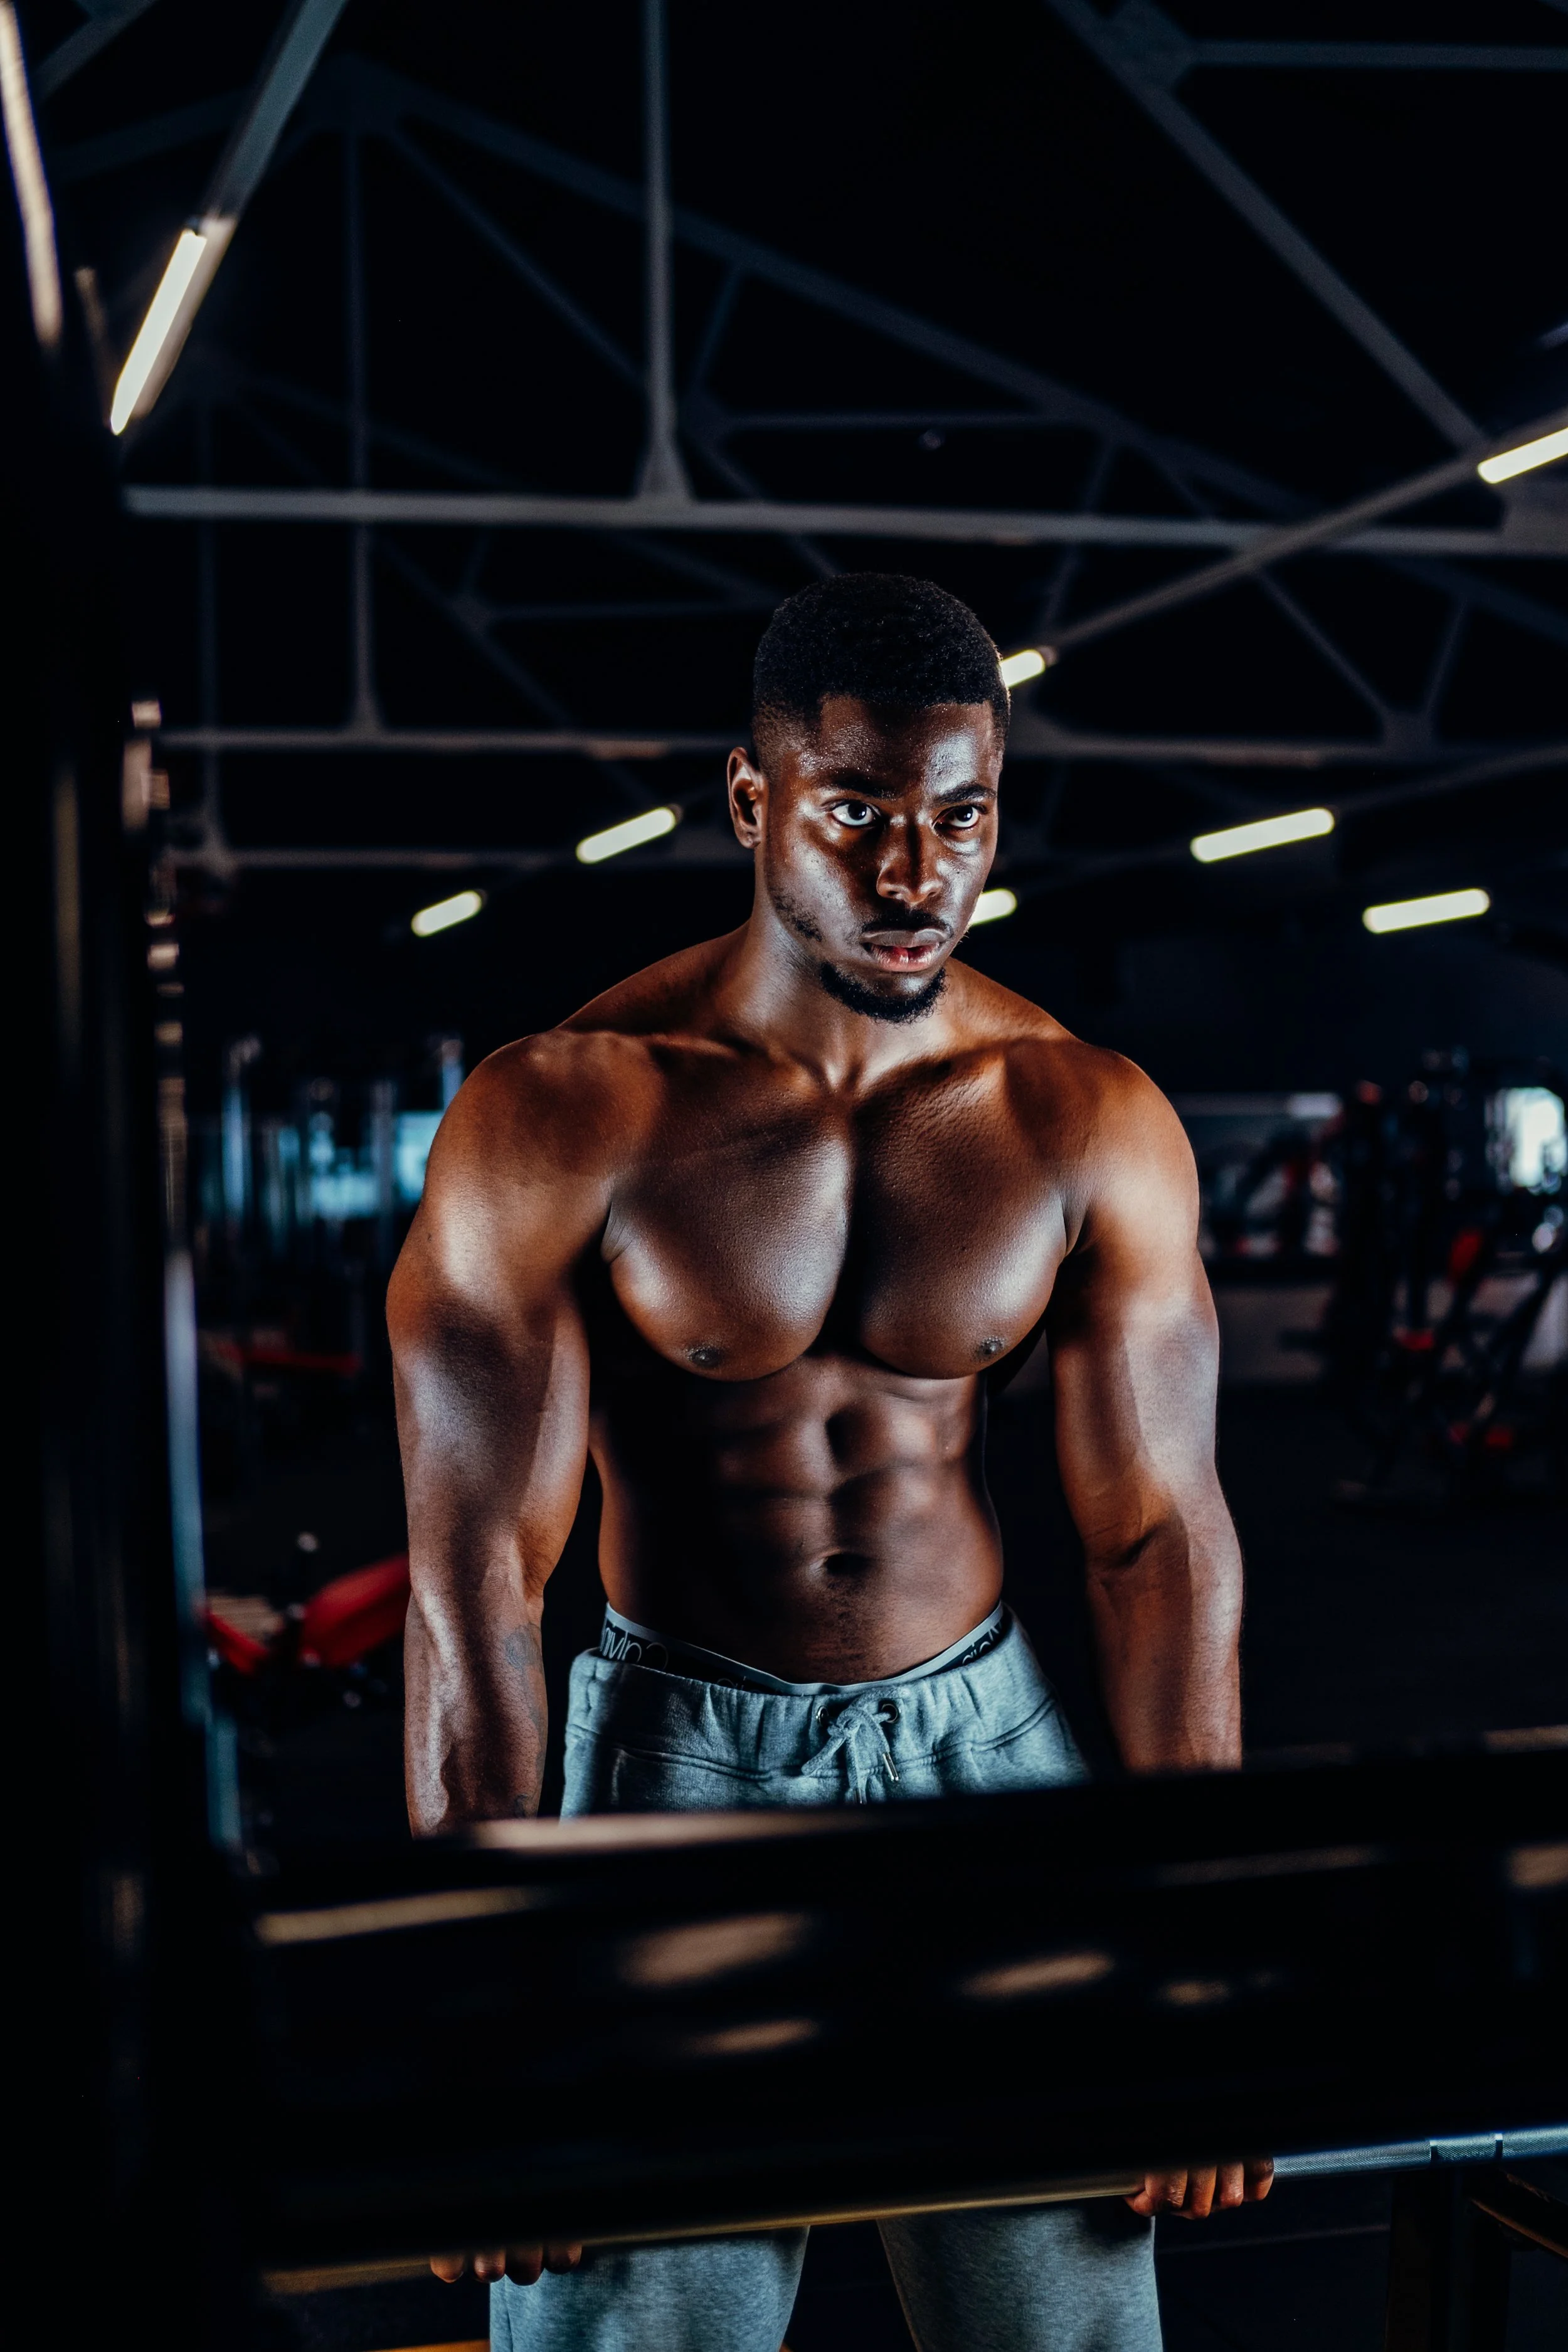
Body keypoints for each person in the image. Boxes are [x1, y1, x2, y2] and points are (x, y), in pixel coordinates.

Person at [389, 574, 1271, 2351]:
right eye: (857, 812)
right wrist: (487, 2021)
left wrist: (1202, 1969)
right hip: (673, 1775)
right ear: (751, 801)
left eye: (959, 817)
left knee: (1066, 2331)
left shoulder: (1076, 1111)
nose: (911, 871)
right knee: (627, 2317)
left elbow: (1158, 1537)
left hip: (988, 1761)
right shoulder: (567, 1109)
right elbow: (475, 1578)